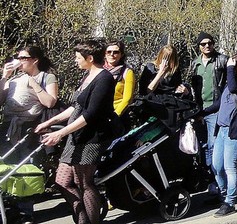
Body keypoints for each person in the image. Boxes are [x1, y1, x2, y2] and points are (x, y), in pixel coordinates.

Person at [37, 40, 115, 224]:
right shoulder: (87, 76)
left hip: (91, 138)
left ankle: (91, 221)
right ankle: (82, 219)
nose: (75, 61)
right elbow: (77, 107)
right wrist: (51, 121)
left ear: (89, 58)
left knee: (84, 183)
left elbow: (90, 114)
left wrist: (60, 133)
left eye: (78, 57)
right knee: (62, 182)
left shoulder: (104, 79)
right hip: (76, 136)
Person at [0, 45, 59, 224]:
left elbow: (50, 102)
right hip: (8, 127)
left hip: (30, 129)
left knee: (26, 169)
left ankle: (26, 212)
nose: (19, 61)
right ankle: (9, 208)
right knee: (7, 168)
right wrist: (4, 78)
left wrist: (32, 82)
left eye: (24, 58)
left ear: (35, 60)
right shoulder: (14, 78)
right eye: (18, 57)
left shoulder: (46, 77)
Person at [201, 52, 237, 216]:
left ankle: (230, 202)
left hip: (235, 131)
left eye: (233, 65)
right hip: (222, 130)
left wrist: (230, 68)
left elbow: (234, 89)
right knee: (216, 166)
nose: (229, 68)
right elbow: (220, 103)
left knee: (229, 167)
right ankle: (223, 193)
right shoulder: (232, 82)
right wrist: (202, 113)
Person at [191, 31, 228, 196]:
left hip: (215, 109)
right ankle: (210, 178)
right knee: (203, 146)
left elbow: (228, 84)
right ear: (199, 46)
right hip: (199, 110)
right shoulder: (195, 64)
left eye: (210, 43)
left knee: (214, 146)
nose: (207, 46)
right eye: (203, 44)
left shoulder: (222, 60)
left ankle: (217, 183)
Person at [103, 40, 136, 119]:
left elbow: (127, 99)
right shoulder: (98, 69)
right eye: (109, 52)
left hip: (115, 114)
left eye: (116, 52)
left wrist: (114, 116)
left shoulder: (127, 72)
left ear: (121, 54)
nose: (112, 55)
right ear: (105, 54)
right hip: (97, 112)